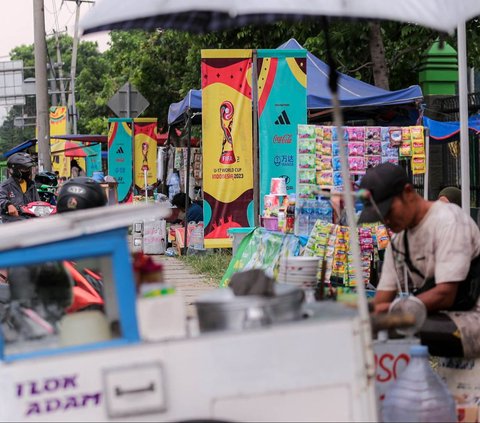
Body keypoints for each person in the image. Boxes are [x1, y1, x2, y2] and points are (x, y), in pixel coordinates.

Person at [358, 162, 480, 358]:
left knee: (394, 328)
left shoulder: (449, 221)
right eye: (381, 216)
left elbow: (445, 295)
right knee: (363, 329)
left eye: (389, 211)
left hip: (471, 320)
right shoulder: (398, 242)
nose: (386, 221)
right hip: (439, 318)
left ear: (408, 192)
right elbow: (382, 299)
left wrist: (390, 310)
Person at [0, 152, 40, 218]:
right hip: (12, 222)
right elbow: (1, 198)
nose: (28, 171)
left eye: (28, 169)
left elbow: (37, 202)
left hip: (30, 221)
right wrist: (8, 204)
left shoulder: (31, 184)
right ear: (16, 170)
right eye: (24, 169)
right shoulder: (5, 185)